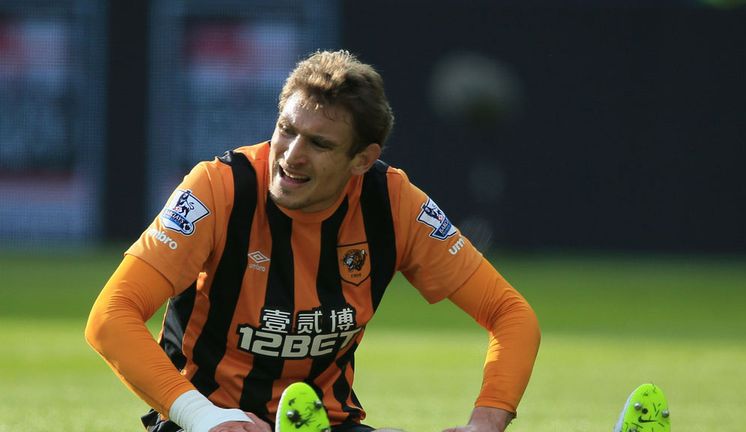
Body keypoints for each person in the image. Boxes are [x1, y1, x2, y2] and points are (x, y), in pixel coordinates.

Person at [85, 49, 541, 432]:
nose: (291, 156)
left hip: (331, 422)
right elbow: (110, 317)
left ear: (362, 159)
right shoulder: (216, 190)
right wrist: (205, 417)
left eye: (320, 145)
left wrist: (486, 421)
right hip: (206, 423)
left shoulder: (394, 203)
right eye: (287, 129)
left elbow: (511, 315)